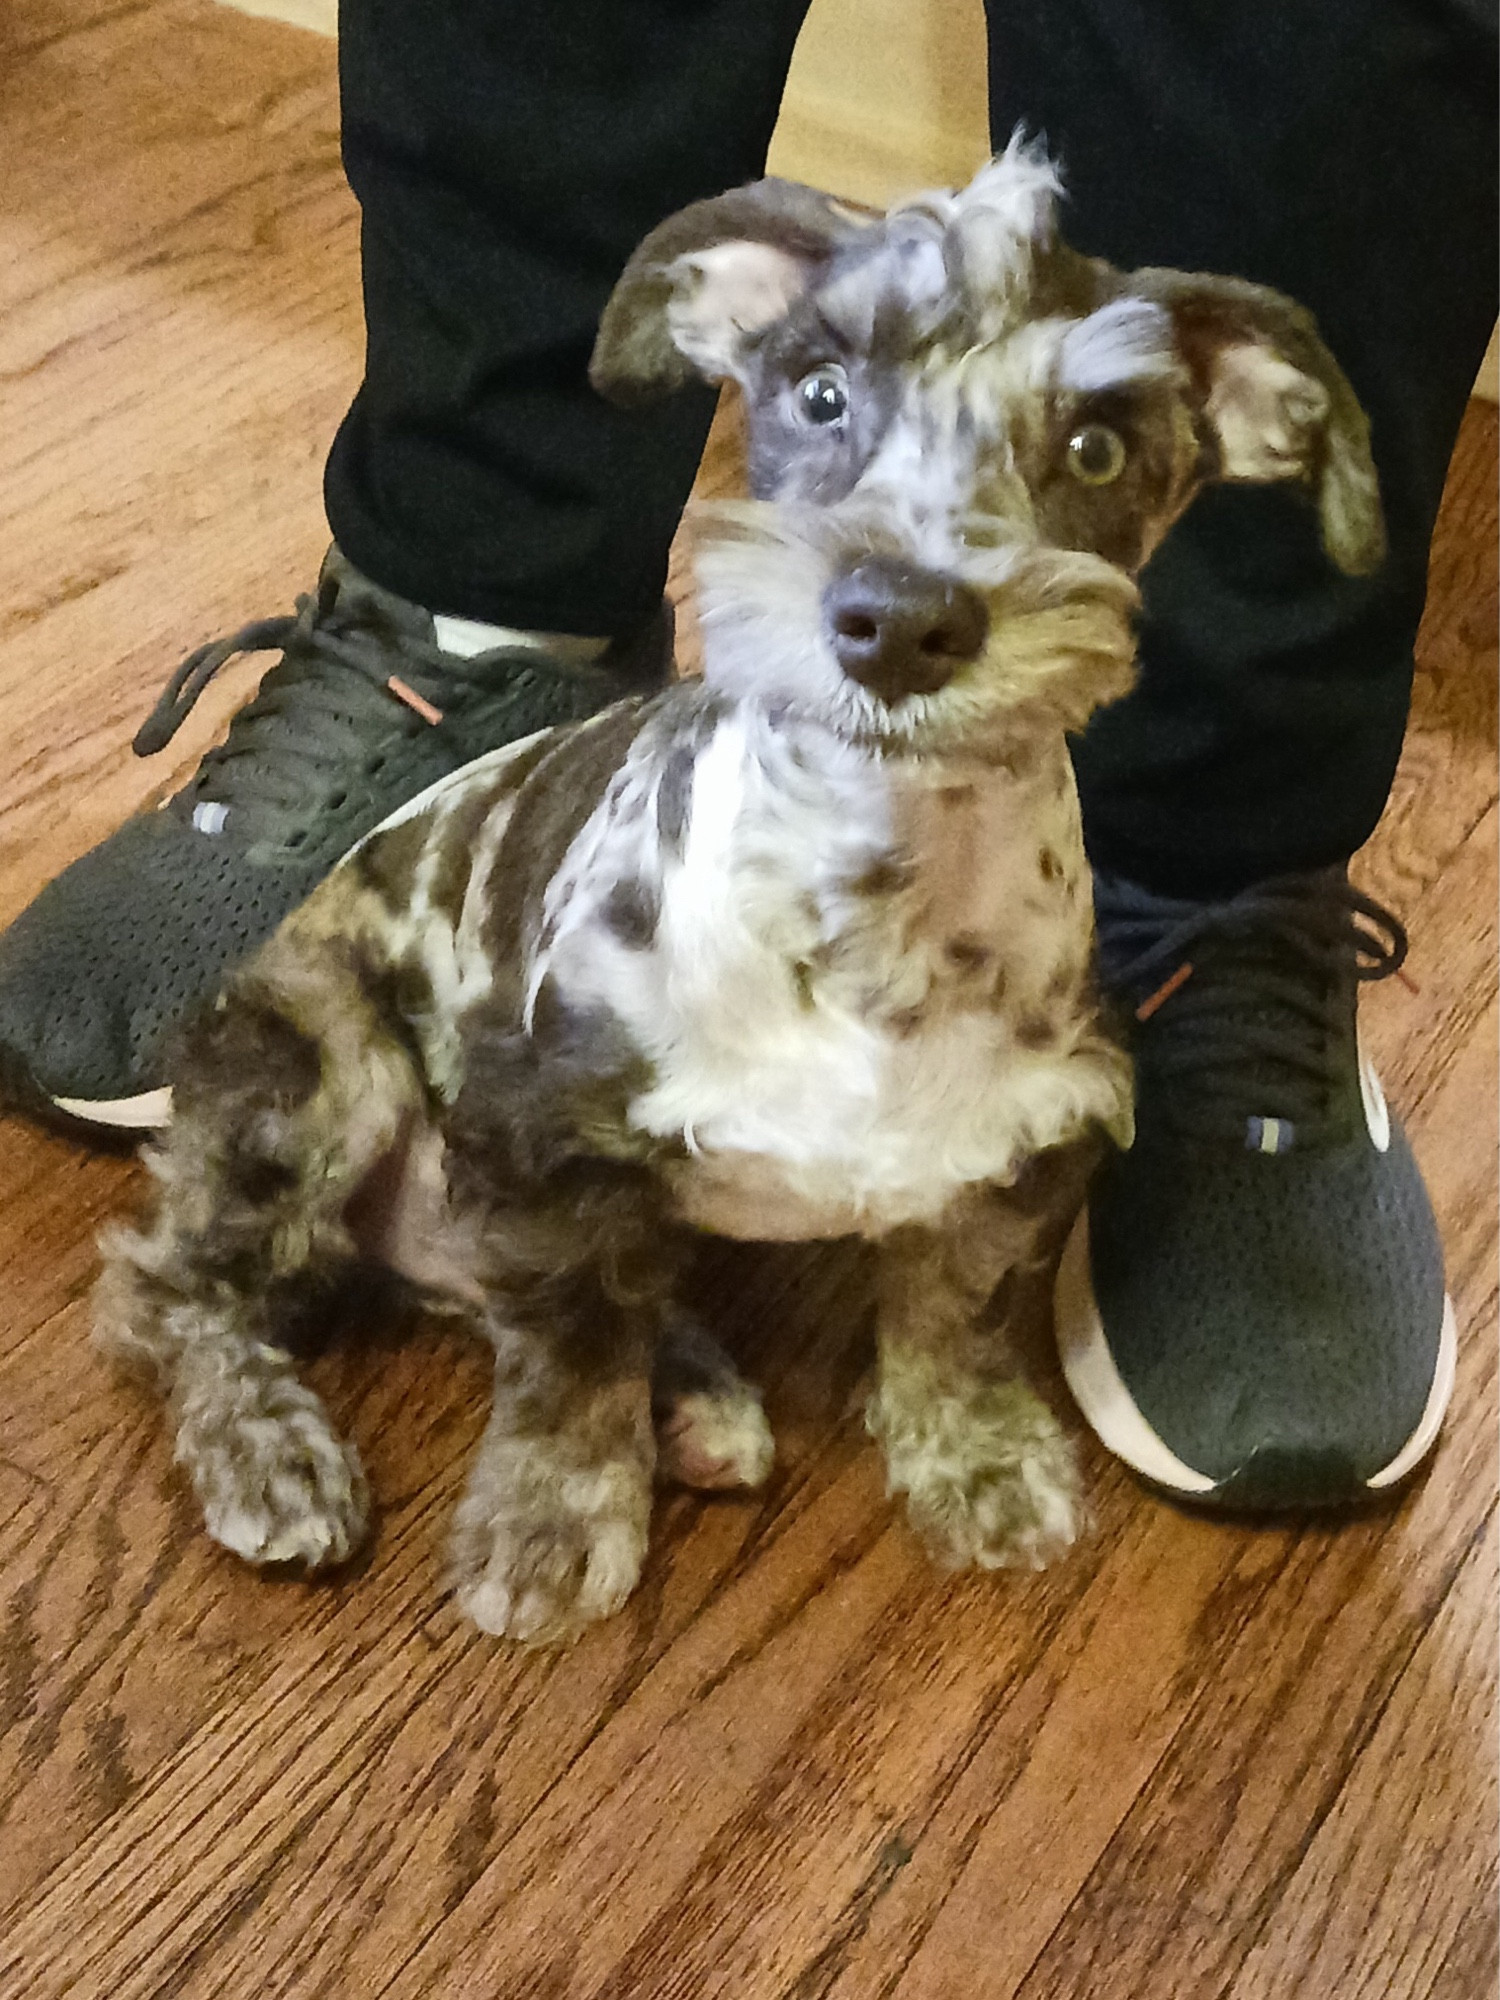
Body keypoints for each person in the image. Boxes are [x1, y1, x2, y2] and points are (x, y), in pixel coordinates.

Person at [0, 0, 1493, 1509]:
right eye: (831, 396)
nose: (913, 570)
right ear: (720, 314)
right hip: (495, 1023)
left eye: (1091, 447)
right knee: (505, 1111)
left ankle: (1207, 870)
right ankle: (475, 619)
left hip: (1006, 898)